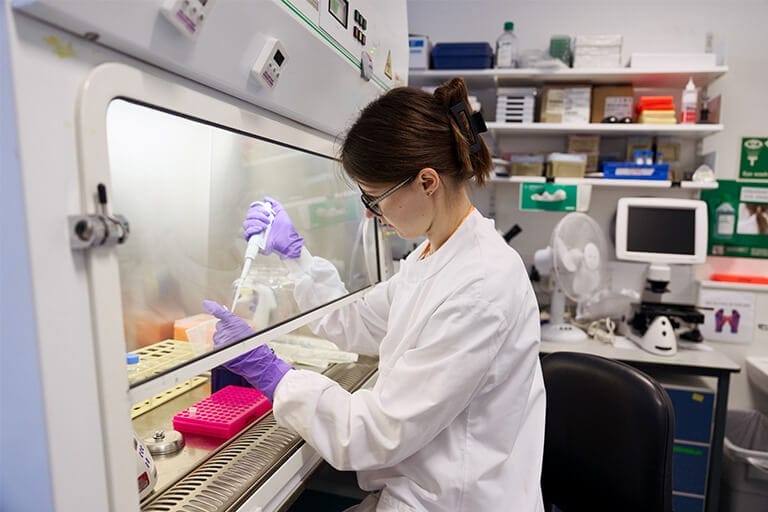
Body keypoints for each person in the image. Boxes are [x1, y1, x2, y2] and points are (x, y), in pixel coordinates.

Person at [203, 77, 546, 511]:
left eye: (374, 196)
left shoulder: (480, 287)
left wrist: (274, 374)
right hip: (419, 492)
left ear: (426, 183)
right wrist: (298, 258)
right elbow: (360, 321)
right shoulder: (433, 255)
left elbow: (374, 434)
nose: (370, 210)